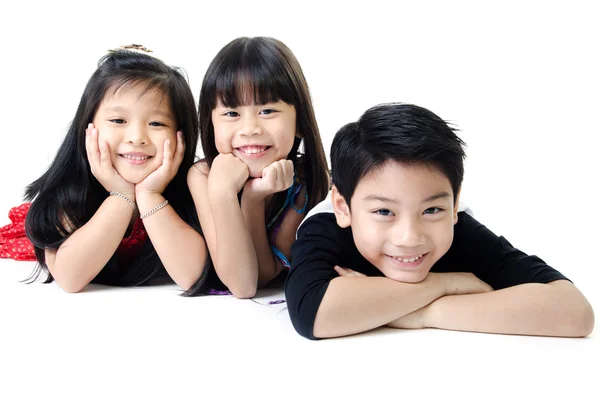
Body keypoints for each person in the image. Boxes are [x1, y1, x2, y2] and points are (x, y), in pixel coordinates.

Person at [285, 103, 594, 339]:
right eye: (384, 212)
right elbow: (311, 313)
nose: (409, 236)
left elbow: (575, 312)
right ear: (343, 207)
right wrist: (448, 283)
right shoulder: (325, 226)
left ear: (455, 202)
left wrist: (423, 313)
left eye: (431, 210)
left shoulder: (458, 228)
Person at [24, 45, 207, 293]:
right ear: (88, 127)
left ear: (181, 136)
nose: (136, 137)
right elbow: (70, 279)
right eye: (118, 120)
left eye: (156, 122)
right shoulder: (70, 192)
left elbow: (193, 277)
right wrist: (121, 196)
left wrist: (149, 195)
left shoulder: (195, 188)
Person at [186, 37, 330, 298]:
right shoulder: (204, 175)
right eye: (231, 114)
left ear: (300, 120)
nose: (250, 128)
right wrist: (222, 193)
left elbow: (259, 278)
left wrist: (252, 199)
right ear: (211, 122)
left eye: (267, 111)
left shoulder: (305, 182)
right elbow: (241, 284)